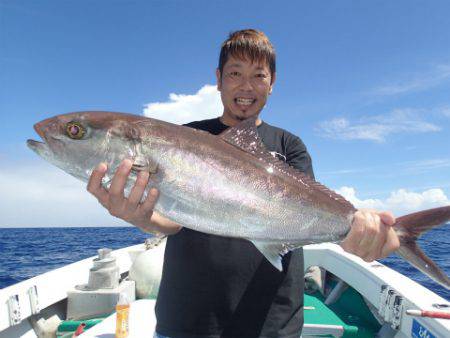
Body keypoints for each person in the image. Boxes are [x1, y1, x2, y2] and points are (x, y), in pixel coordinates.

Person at [87, 29, 400, 338]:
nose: (246, 86)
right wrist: (141, 217)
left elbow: (307, 217)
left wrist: (356, 232)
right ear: (219, 78)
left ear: (272, 83)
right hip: (188, 320)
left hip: (272, 323)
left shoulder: (290, 146)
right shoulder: (184, 137)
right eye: (235, 73)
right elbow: (172, 220)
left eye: (259, 76)